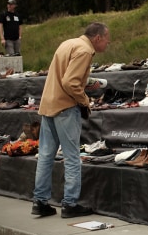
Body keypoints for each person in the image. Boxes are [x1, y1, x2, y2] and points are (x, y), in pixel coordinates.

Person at [31, 22, 111, 218]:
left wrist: (85, 82)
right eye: (107, 40)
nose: (107, 44)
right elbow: (69, 82)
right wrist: (85, 101)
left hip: (49, 104)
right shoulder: (85, 50)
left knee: (46, 155)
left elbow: (63, 77)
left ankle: (39, 201)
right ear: (98, 38)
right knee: (72, 157)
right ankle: (69, 204)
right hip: (65, 108)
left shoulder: (69, 43)